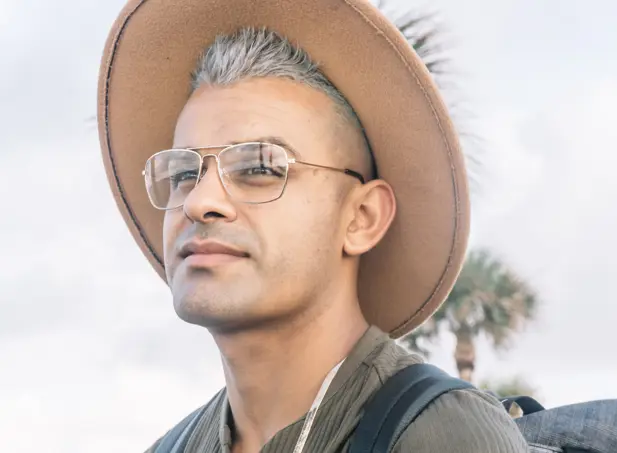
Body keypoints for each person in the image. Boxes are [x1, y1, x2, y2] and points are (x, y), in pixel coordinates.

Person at [97, 0, 529, 452]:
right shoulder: (175, 447)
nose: (201, 201)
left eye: (261, 166)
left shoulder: (440, 434)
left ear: (361, 218)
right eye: (184, 173)